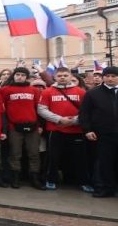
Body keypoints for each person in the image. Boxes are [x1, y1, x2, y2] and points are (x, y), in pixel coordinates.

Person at [39, 67, 87, 191]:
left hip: (76, 130)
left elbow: (86, 110)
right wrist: (59, 119)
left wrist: (73, 121)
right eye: (60, 76)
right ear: (55, 77)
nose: (63, 78)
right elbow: (42, 110)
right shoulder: (47, 91)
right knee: (53, 157)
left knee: (79, 158)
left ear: (71, 76)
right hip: (55, 130)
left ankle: (83, 182)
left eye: (65, 75)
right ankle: (51, 180)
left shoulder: (81, 92)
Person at [0, 66, 43, 188]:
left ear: (27, 77)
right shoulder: (5, 90)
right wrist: (6, 128)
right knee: (15, 153)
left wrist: (40, 125)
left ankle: (34, 178)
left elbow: (39, 109)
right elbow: (3, 111)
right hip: (14, 127)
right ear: (13, 76)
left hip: (33, 127)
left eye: (23, 75)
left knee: (34, 153)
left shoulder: (34, 90)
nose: (20, 77)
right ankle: (15, 178)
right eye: (17, 74)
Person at [79, 65, 118, 198]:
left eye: (113, 76)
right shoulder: (93, 93)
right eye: (107, 76)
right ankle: (104, 188)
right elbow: (84, 113)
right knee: (103, 162)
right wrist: (87, 130)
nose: (110, 79)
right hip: (102, 134)